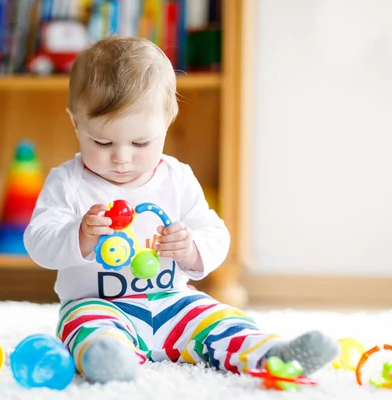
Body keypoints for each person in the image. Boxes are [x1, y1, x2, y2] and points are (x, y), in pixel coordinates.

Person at [23, 35, 338, 383]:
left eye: (141, 143)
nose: (122, 157)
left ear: (167, 122)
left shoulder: (176, 177)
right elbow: (39, 241)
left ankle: (270, 354)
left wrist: (191, 248)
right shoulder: (67, 182)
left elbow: (214, 233)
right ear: (75, 124)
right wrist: (78, 235)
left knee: (218, 319)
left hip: (174, 302)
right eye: (103, 142)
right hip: (99, 304)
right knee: (88, 329)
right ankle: (111, 361)